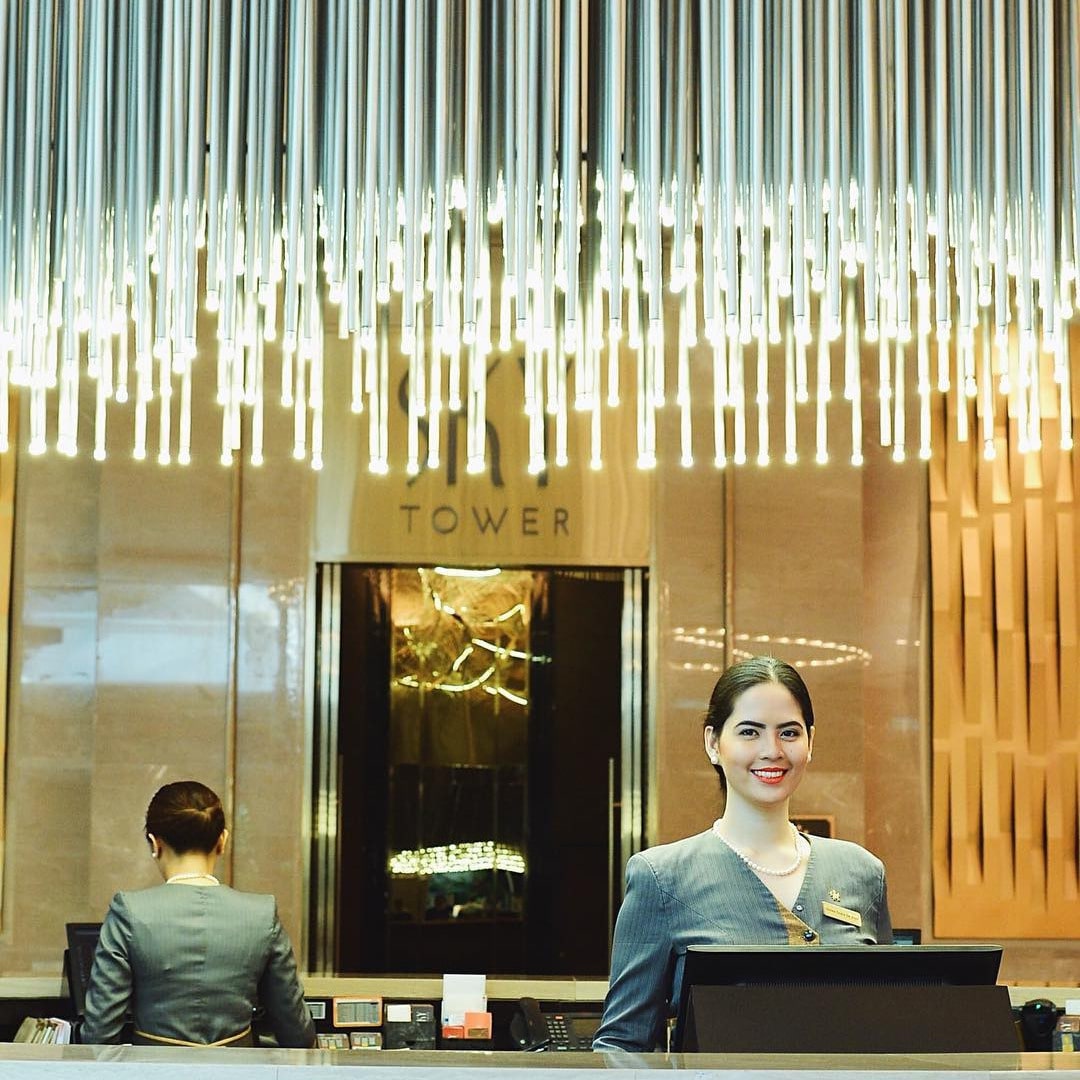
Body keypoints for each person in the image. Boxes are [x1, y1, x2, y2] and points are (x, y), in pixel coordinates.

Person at [593, 656, 892, 1052]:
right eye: (750, 732)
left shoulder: (861, 871)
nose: (772, 750)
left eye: (789, 733)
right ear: (713, 743)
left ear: (810, 742)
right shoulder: (662, 878)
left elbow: (892, 1023)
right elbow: (621, 1046)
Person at [81, 780, 315, 1048]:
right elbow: (297, 1034)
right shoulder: (261, 914)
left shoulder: (129, 911)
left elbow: (98, 1035)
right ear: (222, 841)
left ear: (154, 843)